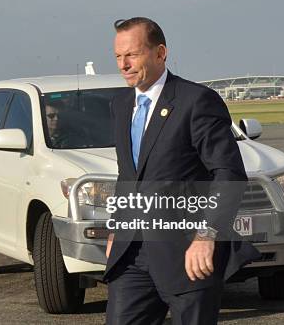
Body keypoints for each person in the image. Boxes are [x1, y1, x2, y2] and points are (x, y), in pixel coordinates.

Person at [104, 17, 260, 325]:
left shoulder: (196, 101)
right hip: (133, 253)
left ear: (160, 53)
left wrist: (206, 235)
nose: (123, 64)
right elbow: (129, 177)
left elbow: (228, 174)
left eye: (132, 54)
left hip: (188, 253)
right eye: (118, 57)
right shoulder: (121, 105)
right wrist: (116, 226)